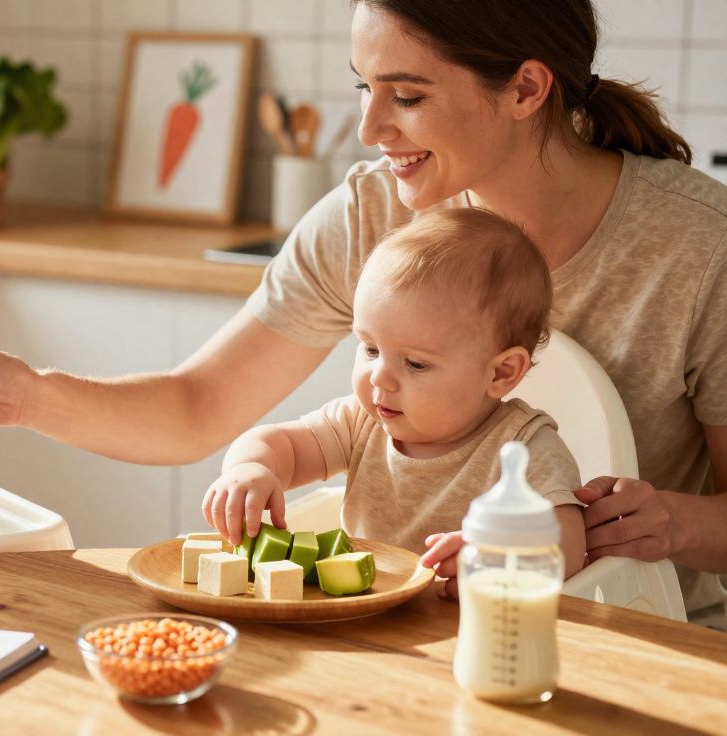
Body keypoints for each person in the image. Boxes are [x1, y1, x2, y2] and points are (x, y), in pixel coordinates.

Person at [0, 0, 727, 628]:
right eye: (364, 88)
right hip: (410, 633)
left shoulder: (696, 247)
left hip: (640, 639)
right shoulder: (372, 215)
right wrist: (25, 393)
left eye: (406, 95)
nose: (368, 127)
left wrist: (673, 522)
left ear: (526, 88)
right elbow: (196, 410)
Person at [199, 209, 586, 590]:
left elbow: (567, 543)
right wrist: (250, 469)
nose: (379, 376)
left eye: (415, 363)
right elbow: (281, 444)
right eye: (369, 348)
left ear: (501, 373)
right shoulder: (360, 422)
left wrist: (496, 555)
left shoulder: (523, 447)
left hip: (469, 633)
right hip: (360, 623)